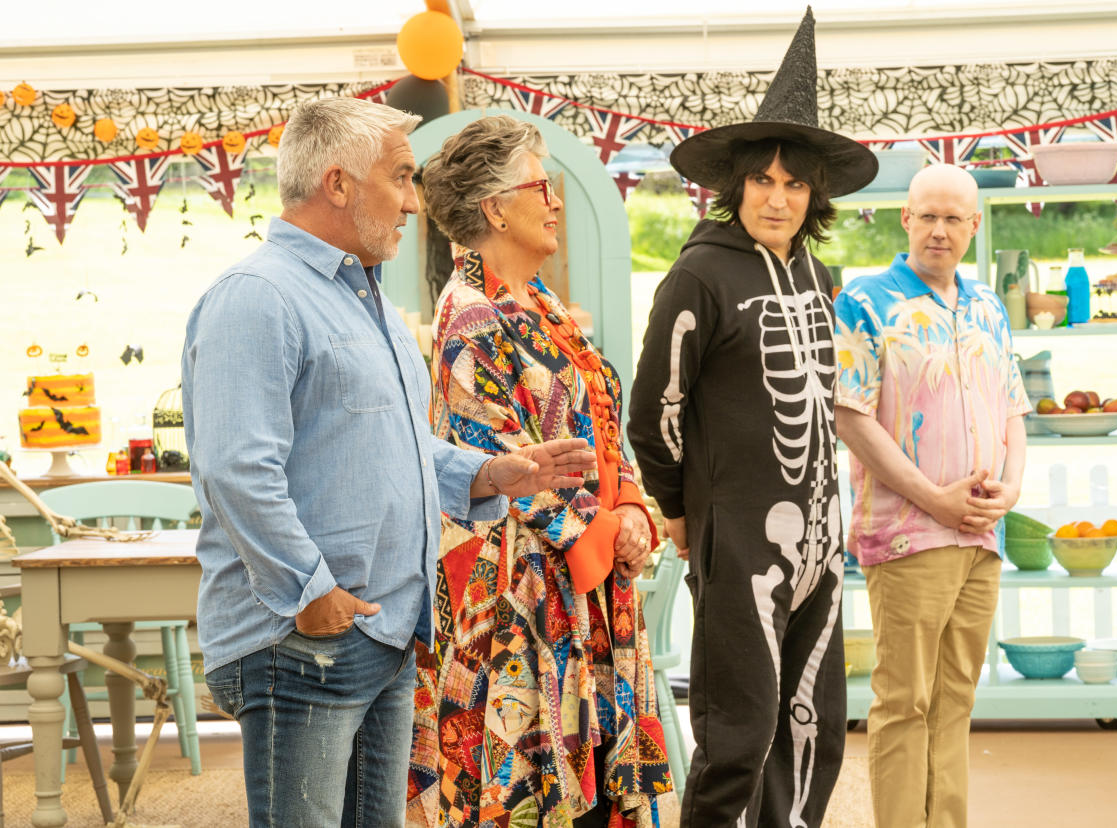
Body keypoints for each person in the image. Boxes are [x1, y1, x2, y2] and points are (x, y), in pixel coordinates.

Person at [181, 97, 596, 828]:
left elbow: (397, 447)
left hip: (384, 635)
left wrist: (486, 474)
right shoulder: (258, 298)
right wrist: (311, 593)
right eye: (401, 179)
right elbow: (234, 470)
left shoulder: (367, 304)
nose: (413, 203)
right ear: (338, 184)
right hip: (302, 640)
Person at [627, 10, 878, 827]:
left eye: (794, 183)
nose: (778, 198)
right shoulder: (698, 276)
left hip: (819, 534)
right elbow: (653, 409)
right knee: (740, 729)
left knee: (814, 725)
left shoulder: (821, 276)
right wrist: (680, 507)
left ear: (816, 195)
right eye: (763, 181)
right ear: (736, 186)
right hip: (737, 535)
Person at [407, 113, 673, 827]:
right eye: (541, 185)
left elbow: (602, 432)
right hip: (523, 599)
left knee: (591, 796)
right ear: (495, 207)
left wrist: (637, 512)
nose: (554, 200)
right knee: (529, 795)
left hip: (584, 585)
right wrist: (604, 533)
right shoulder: (470, 318)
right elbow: (505, 472)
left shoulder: (540, 302)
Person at [833, 163, 1031, 828]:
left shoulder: (989, 306)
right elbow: (850, 416)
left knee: (955, 702)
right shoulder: (864, 301)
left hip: (982, 534)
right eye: (928, 216)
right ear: (905, 220)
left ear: (975, 226)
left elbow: (1012, 412)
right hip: (907, 534)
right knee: (904, 701)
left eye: (954, 219)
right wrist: (934, 500)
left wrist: (1011, 488)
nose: (939, 231)